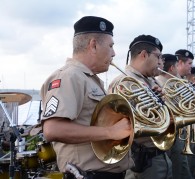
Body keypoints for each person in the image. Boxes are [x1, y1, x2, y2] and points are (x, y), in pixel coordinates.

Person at [40, 16, 132, 179]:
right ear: (93, 45)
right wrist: (110, 131)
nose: (114, 53)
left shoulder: (87, 79)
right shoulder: (69, 77)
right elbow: (52, 129)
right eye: (110, 46)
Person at [109, 35, 172, 179]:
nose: (160, 62)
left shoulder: (151, 81)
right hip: (142, 160)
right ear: (144, 54)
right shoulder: (123, 82)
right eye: (158, 57)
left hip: (160, 156)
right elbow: (117, 124)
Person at [155, 53, 193, 179]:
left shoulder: (176, 82)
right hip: (169, 133)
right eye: (177, 65)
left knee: (183, 168)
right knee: (178, 170)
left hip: (179, 132)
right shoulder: (160, 83)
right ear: (172, 68)